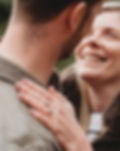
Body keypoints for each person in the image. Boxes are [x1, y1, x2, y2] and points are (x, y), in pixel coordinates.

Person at [16, 1, 120, 151]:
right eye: (88, 32)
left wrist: (77, 143)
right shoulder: (45, 101)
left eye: (111, 35)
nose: (91, 41)